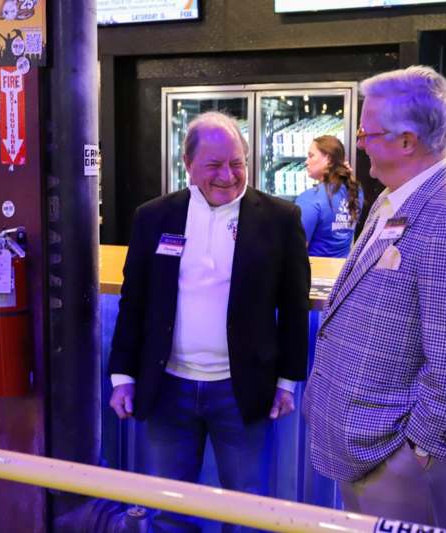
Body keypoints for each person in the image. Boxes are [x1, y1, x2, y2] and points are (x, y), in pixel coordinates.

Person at [302, 66, 446, 528]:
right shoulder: (392, 199)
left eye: (365, 131)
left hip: (396, 452)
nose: (357, 143)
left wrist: (418, 449)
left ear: (406, 141)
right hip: (366, 442)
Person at [108, 111, 310, 532]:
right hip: (168, 388)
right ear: (187, 163)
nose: (228, 175)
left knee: (247, 511)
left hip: (243, 392)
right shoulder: (154, 217)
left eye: (236, 163)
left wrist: (288, 382)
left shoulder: (279, 218)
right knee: (168, 511)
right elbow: (135, 301)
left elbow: (293, 309)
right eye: (214, 164)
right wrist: (122, 375)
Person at [295, 135, 363, 257]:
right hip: (343, 271)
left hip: (315, 272)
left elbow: (295, 251)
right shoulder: (356, 192)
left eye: (311, 156)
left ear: (328, 159)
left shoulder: (309, 198)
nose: (306, 161)